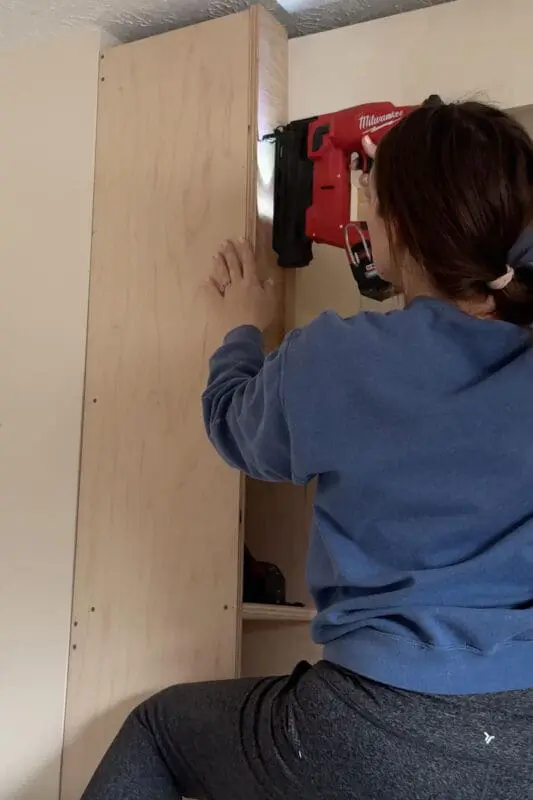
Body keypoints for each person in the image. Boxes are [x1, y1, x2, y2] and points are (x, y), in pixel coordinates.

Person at [82, 101, 533, 799]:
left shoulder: (337, 357)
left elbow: (233, 427)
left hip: (371, 722)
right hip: (519, 739)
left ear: (399, 227)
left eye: (374, 200)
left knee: (159, 732)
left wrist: (243, 330)